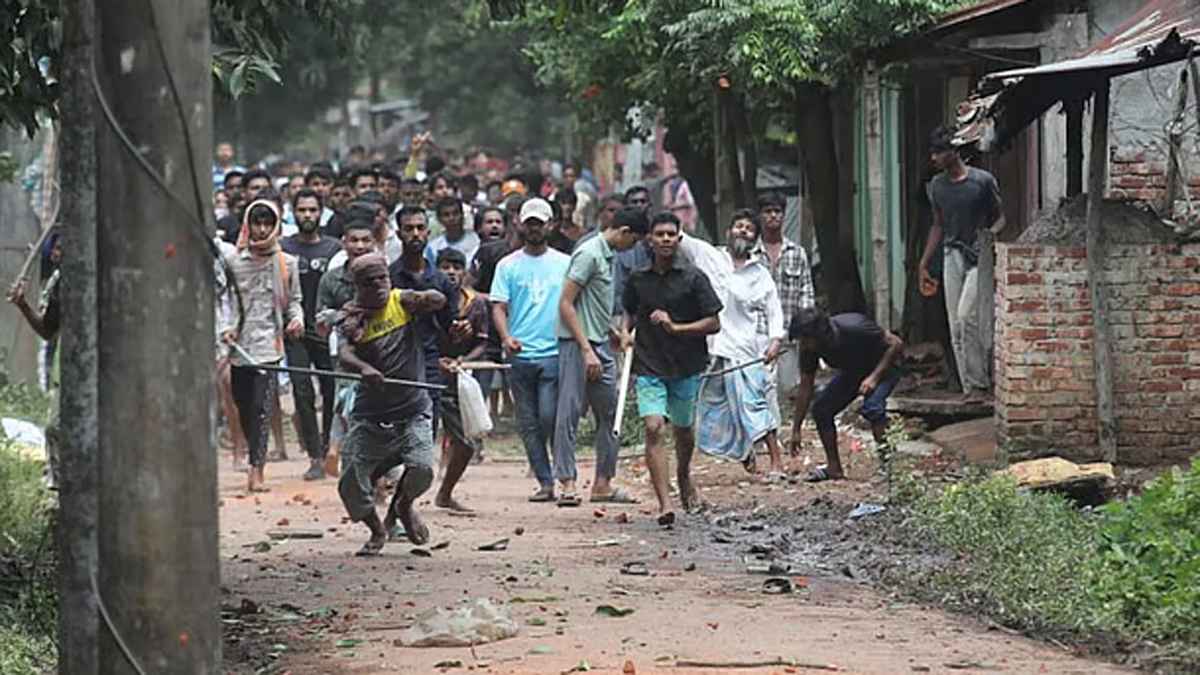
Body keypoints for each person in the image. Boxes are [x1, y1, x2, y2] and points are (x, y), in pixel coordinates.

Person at [336, 253, 445, 556]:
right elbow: (344, 355)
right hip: (371, 415)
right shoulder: (350, 318)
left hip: (412, 409)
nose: (378, 285)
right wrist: (364, 369)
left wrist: (428, 296)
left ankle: (403, 505)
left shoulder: (402, 301)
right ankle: (376, 529)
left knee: (422, 468)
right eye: (369, 282)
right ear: (356, 285)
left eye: (382, 277)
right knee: (350, 484)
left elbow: (436, 299)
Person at [622, 212, 722, 525]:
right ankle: (665, 503)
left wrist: (678, 328)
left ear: (679, 239)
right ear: (649, 240)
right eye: (659, 234)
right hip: (649, 363)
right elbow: (628, 311)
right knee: (653, 426)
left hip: (686, 365)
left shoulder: (694, 278)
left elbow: (714, 322)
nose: (665, 239)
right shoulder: (638, 279)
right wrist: (625, 333)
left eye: (671, 234)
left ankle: (683, 474)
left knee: (682, 428)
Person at [553, 206, 645, 506]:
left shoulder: (609, 257)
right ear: (624, 232)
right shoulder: (589, 254)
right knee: (568, 414)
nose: (633, 248)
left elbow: (592, 306)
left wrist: (613, 333)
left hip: (600, 345)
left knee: (612, 414)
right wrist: (585, 349)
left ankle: (603, 483)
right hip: (577, 346)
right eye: (634, 241)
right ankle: (566, 482)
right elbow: (566, 304)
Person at [490, 198, 571, 502]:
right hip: (520, 353)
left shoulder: (564, 263)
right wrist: (506, 336)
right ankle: (545, 481)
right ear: (520, 225)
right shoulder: (507, 265)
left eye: (541, 223)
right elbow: (499, 306)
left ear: (551, 225)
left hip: (554, 350)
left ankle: (560, 470)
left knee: (548, 416)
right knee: (527, 421)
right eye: (530, 223)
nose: (535, 228)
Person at [220, 200, 304, 492]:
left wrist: (297, 320)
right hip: (239, 347)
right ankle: (252, 455)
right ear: (249, 224)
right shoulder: (233, 263)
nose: (263, 229)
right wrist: (226, 329)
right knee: (243, 406)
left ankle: (257, 470)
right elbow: (224, 301)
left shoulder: (287, 263)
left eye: (268, 223)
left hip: (271, 346)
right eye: (258, 222)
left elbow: (294, 302)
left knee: (262, 407)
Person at [697, 210, 786, 475]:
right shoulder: (711, 257)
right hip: (713, 349)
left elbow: (774, 309)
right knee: (718, 405)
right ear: (729, 231)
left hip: (746, 351)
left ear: (754, 238)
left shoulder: (759, 274)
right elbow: (682, 241)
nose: (743, 231)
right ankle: (744, 452)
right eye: (739, 226)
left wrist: (775, 341)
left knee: (754, 404)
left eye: (749, 229)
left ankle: (776, 462)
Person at [919, 126, 1002, 403]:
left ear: (953, 152)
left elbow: (1000, 218)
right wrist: (924, 263)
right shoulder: (937, 187)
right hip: (951, 255)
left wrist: (989, 240)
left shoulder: (982, 181)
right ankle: (970, 390)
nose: (934, 158)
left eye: (938, 152)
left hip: (979, 256)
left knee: (968, 317)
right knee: (955, 325)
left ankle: (979, 384)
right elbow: (938, 225)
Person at [789, 308, 904, 482]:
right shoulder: (809, 349)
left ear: (820, 334)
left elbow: (896, 344)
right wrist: (796, 429)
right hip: (855, 371)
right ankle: (834, 468)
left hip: (884, 366)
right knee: (822, 409)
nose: (803, 345)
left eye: (805, 340)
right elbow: (806, 387)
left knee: (873, 408)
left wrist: (874, 377)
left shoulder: (854, 327)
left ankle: (888, 469)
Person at [281, 189, 343, 480]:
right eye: (302, 210)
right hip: (295, 332)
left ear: (321, 213)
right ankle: (314, 456)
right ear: (293, 213)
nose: (307, 215)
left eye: (312, 210)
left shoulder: (334, 248)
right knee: (302, 390)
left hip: (326, 331)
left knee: (332, 391)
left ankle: (331, 447)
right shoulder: (283, 247)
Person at [389, 207, 459, 440]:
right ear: (399, 234)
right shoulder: (388, 277)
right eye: (409, 229)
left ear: (428, 232)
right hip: (394, 361)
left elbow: (451, 327)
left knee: (428, 426)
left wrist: (461, 331)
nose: (415, 234)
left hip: (429, 361)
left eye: (420, 228)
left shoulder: (440, 280)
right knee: (394, 428)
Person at [752, 192, 814, 455]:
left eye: (777, 211)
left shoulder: (797, 253)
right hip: (757, 333)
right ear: (760, 215)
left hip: (789, 334)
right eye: (767, 211)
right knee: (761, 388)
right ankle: (766, 440)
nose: (773, 216)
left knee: (790, 387)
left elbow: (806, 292)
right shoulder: (750, 255)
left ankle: (792, 434)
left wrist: (806, 328)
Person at [432, 248, 491, 512]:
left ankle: (445, 493)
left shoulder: (475, 303)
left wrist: (464, 361)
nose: (451, 272)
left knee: (466, 443)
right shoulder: (428, 299)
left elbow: (482, 342)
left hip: (459, 379)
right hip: (429, 376)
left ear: (465, 272)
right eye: (445, 267)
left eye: (457, 267)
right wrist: (435, 361)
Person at [425, 196, 480, 268]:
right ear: (439, 219)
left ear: (462, 215)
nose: (452, 218)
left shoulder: (477, 241)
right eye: (446, 215)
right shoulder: (433, 247)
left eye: (455, 213)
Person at [548, 188, 583, 254]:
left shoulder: (581, 232)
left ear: (575, 206)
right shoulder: (549, 232)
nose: (567, 207)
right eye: (563, 203)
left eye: (570, 203)